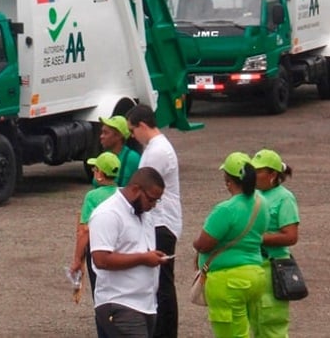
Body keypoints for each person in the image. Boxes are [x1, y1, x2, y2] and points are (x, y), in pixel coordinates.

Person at [192, 152, 269, 338]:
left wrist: (195, 244)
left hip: (228, 282)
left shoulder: (226, 210)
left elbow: (203, 244)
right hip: (255, 275)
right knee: (245, 330)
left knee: (231, 334)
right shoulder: (262, 202)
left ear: (228, 180)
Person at [89, 167, 170, 338]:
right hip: (120, 303)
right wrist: (143, 258)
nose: (153, 205)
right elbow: (101, 259)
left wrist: (151, 256)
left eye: (157, 201)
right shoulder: (108, 214)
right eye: (151, 200)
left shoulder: (143, 212)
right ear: (135, 189)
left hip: (146, 304)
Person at [126, 104, 181, 338]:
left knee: (163, 282)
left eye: (132, 130)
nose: (132, 136)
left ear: (143, 125)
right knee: (161, 281)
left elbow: (143, 186)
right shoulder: (156, 147)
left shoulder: (157, 151)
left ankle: (165, 332)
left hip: (161, 222)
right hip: (161, 220)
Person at [249, 149, 299, 338]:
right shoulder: (252, 195)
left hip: (273, 267)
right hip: (253, 265)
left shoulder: (284, 198)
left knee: (272, 324)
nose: (253, 175)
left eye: (258, 171)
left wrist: (257, 237)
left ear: (272, 174)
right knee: (254, 322)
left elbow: (291, 236)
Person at [70, 151, 121, 338]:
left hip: (98, 252)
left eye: (94, 169)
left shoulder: (92, 197)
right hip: (119, 251)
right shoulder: (122, 193)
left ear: (99, 174)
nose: (93, 173)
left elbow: (85, 231)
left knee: (101, 298)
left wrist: (77, 260)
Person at [99, 116, 141, 187]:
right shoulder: (104, 156)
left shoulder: (133, 158)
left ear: (118, 136)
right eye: (102, 132)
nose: (101, 136)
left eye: (106, 133)